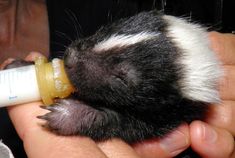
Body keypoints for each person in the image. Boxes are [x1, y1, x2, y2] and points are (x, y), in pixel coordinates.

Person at [0, 0, 235, 157]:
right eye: (105, 35)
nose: (73, 57)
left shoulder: (164, 116)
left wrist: (89, 119)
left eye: (120, 77)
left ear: (168, 101)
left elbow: (133, 124)